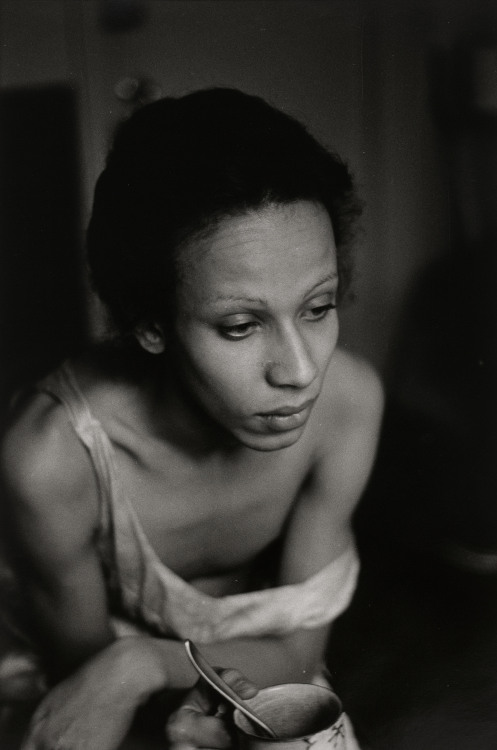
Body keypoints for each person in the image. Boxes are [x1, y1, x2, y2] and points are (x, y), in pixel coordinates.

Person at [0, 88, 383, 750]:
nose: (298, 370)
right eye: (240, 325)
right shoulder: (52, 456)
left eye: (317, 308)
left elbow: (296, 653)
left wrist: (141, 664)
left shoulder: (346, 405)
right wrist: (144, 703)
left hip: (229, 674)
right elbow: (83, 684)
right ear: (151, 324)